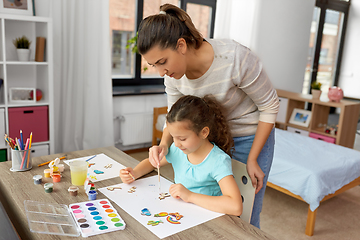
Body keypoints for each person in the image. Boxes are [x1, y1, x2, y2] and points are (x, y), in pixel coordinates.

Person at [136, 4, 279, 228]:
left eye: (162, 62)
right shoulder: (172, 76)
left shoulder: (234, 58)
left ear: (181, 45)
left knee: (245, 216)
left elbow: (270, 106)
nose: (160, 72)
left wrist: (252, 158)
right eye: (153, 65)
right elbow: (172, 116)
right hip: (207, 136)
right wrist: (163, 144)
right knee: (211, 210)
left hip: (249, 136)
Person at [120, 95, 242, 216]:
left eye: (182, 138)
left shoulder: (218, 160)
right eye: (173, 137)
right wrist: (134, 173)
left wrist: (190, 196)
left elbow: (235, 206)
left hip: (208, 218)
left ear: (204, 132)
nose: (176, 143)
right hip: (183, 214)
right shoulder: (179, 150)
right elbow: (152, 163)